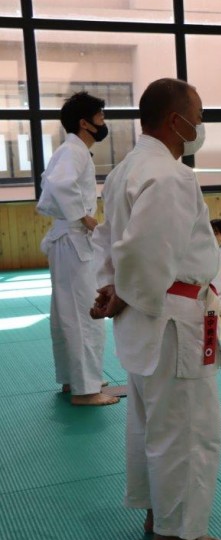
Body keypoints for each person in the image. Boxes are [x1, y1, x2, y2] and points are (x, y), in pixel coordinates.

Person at [90, 78, 221, 540]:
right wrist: (123, 290)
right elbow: (146, 252)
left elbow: (110, 240)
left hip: (148, 318)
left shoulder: (128, 168)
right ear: (175, 122)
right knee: (187, 428)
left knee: (150, 424)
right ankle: (178, 531)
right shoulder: (171, 175)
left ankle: (157, 512)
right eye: (199, 117)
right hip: (171, 317)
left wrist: (111, 287)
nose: (201, 127)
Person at [37, 91, 116, 406]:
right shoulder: (75, 151)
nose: (103, 122)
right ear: (85, 123)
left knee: (69, 312)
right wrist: (84, 218)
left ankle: (77, 379)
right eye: (100, 117)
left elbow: (50, 184)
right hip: (73, 239)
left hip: (66, 241)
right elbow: (57, 186)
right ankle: (86, 389)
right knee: (84, 313)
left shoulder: (71, 149)